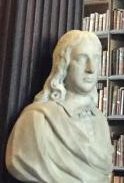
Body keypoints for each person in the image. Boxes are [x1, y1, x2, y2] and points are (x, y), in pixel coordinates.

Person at [6, 30, 113, 182]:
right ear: (64, 64)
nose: (91, 69)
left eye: (96, 59)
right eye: (82, 59)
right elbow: (21, 162)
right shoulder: (38, 119)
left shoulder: (100, 121)